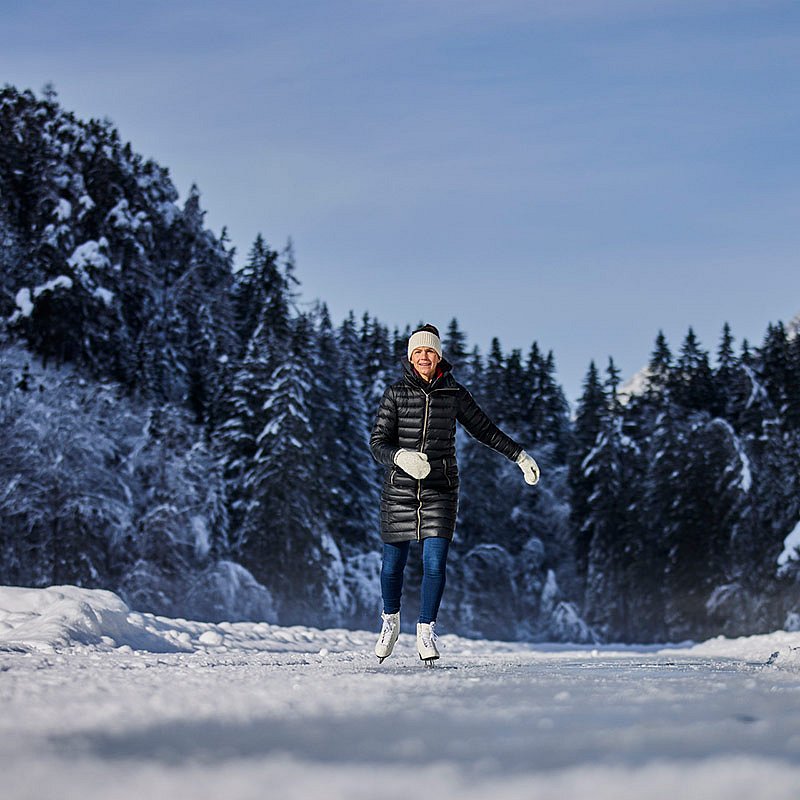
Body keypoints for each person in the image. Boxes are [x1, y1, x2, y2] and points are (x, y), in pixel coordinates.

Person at [369, 323, 540, 666]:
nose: (423, 357)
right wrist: (400, 457)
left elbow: (485, 430)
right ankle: (390, 621)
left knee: (434, 564)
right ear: (409, 356)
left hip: (440, 489)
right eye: (417, 351)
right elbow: (378, 442)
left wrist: (519, 455)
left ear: (439, 355)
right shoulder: (395, 393)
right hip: (400, 490)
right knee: (392, 568)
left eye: (429, 351)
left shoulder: (454, 394)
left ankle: (425, 631)